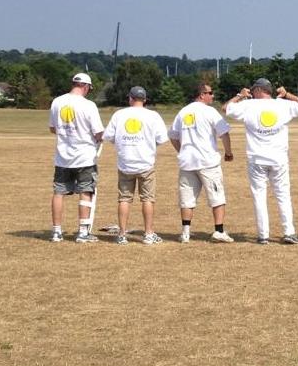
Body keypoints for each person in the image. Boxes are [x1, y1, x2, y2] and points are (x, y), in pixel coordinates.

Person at [223, 78, 298, 245]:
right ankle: (289, 232)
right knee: (283, 195)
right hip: (279, 158)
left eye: (253, 90)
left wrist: (239, 96)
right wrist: (287, 95)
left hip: (256, 158)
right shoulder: (282, 104)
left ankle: (263, 235)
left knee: (259, 196)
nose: (252, 92)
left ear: (258, 90)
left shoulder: (249, 105)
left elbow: (226, 108)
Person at [102, 86, 169, 245]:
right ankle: (148, 234)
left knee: (124, 199)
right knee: (147, 199)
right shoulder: (153, 115)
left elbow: (109, 136)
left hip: (125, 163)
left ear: (130, 98)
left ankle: (122, 234)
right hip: (145, 163)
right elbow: (161, 139)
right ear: (145, 100)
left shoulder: (119, 114)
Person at [169, 83, 234, 243]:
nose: (213, 96)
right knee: (217, 196)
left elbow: (173, 136)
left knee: (187, 198)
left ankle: (185, 232)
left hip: (187, 162)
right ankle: (218, 230)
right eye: (210, 93)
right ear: (201, 94)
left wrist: (182, 151)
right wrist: (228, 152)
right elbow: (224, 133)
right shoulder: (210, 111)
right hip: (207, 161)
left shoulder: (183, 112)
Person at [49, 72, 104, 243]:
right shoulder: (89, 105)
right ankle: (82, 232)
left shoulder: (57, 102)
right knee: (86, 192)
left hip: (63, 157)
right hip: (84, 157)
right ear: (86, 86)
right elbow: (98, 132)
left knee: (59, 192)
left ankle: (57, 231)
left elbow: (53, 128)